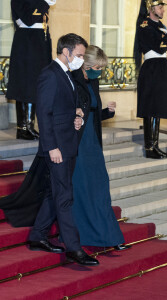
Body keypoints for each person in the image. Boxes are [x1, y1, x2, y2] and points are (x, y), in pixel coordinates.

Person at [28, 33, 99, 266]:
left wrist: (76, 116)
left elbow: (64, 106)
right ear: (66, 52)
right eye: (78, 55)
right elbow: (44, 114)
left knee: (54, 192)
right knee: (65, 197)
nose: (80, 59)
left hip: (68, 143)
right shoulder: (50, 74)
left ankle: (38, 236)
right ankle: (74, 249)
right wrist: (51, 148)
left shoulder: (67, 74)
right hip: (57, 147)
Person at [71, 45, 131, 251]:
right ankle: (88, 236)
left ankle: (110, 237)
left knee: (100, 188)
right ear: (87, 64)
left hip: (93, 143)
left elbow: (92, 113)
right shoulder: (73, 80)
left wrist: (108, 112)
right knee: (83, 190)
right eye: (98, 67)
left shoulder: (93, 82)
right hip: (78, 142)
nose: (100, 72)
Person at [6, 0, 56, 140]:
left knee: (37, 83)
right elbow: (29, 19)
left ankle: (30, 126)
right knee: (26, 84)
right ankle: (23, 128)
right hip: (28, 41)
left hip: (39, 40)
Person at [134, 0, 167, 159]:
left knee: (157, 107)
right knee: (150, 107)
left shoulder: (160, 26)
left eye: (163, 7)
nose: (163, 11)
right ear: (151, 8)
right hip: (152, 68)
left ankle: (155, 145)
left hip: (161, 68)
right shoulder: (145, 25)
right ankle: (149, 147)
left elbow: (164, 47)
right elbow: (160, 46)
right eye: (160, 7)